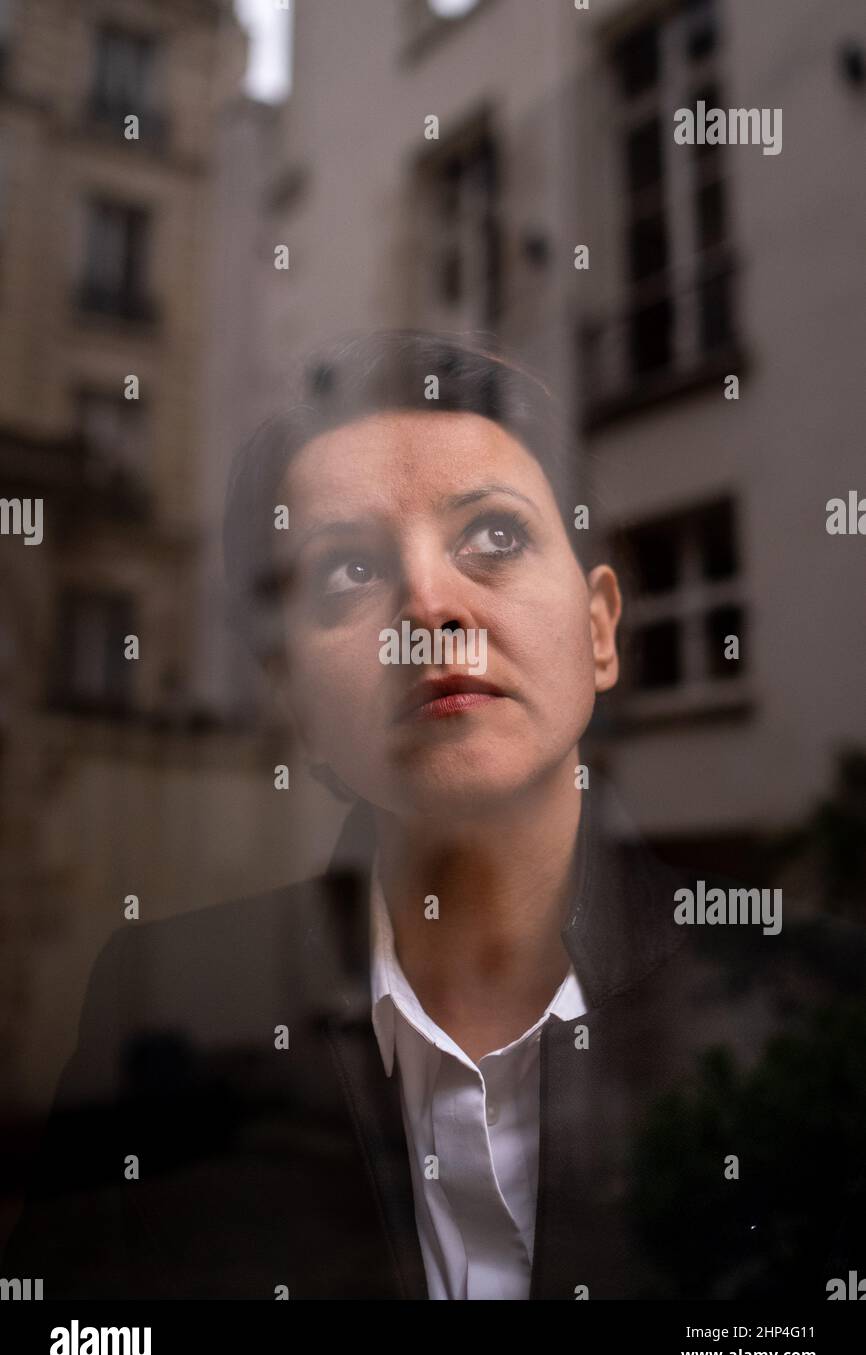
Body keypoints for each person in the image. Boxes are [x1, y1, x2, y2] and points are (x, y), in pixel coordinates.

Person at [3, 331, 864, 1300]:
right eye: (346, 572)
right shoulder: (154, 1000)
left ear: (596, 630)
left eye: (493, 536)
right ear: (295, 696)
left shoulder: (816, 1011)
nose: (426, 607)